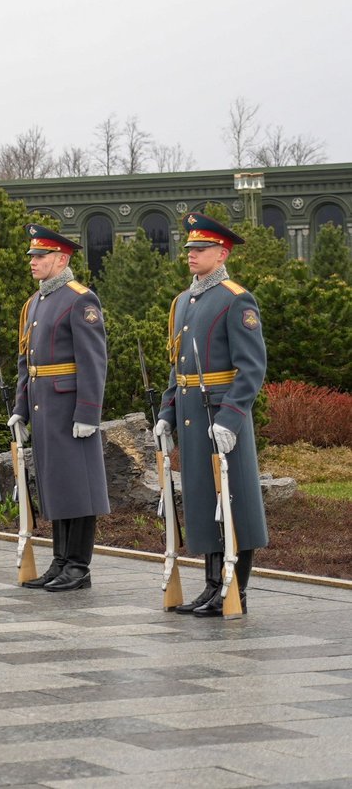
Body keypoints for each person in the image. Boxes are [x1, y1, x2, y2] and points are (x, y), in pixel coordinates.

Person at [157, 212, 269, 616]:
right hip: (191, 412)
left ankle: (234, 587)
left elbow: (252, 367)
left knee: (233, 501)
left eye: (200, 249)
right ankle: (210, 586)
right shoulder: (186, 300)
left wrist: (230, 416)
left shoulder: (235, 298)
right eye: (189, 248)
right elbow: (179, 365)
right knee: (205, 503)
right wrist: (168, 411)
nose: (191, 254)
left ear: (221, 254)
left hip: (221, 414)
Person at [12, 223, 110, 593]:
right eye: (32, 256)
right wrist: (21, 408)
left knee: (78, 488)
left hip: (69, 407)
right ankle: (60, 560)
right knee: (56, 485)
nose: (33, 262)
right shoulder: (37, 301)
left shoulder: (79, 298)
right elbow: (28, 361)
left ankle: (79, 565)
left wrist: (88, 413)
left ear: (61, 258)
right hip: (44, 405)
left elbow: (93, 360)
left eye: (40, 256)